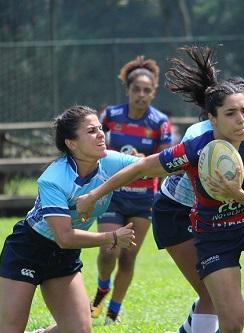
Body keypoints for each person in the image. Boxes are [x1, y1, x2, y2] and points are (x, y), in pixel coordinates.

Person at [77, 46, 244, 333]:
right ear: (212, 118)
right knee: (220, 308)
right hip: (189, 219)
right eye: (233, 112)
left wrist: (237, 191)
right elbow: (142, 167)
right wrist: (93, 194)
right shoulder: (197, 146)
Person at [0, 105, 137, 333]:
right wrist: (111, 237)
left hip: (63, 257)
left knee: (80, 330)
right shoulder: (53, 178)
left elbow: (152, 165)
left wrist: (191, 154)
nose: (101, 134)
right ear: (72, 143)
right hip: (28, 250)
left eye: (101, 128)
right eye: (91, 131)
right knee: (10, 329)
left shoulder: (109, 161)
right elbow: (65, 236)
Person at [158, 76, 244, 333]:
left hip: (206, 215)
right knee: (211, 295)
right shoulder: (198, 136)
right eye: (235, 111)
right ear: (216, 115)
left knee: (213, 296)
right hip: (176, 213)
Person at [91, 56, 172, 324]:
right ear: (128, 90)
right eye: (136, 89)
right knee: (108, 250)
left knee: (127, 258)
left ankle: (113, 312)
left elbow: (165, 164)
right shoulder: (111, 116)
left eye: (147, 90)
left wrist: (141, 162)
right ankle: (103, 286)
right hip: (113, 194)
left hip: (143, 199)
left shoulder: (160, 123)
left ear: (154, 91)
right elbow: (95, 148)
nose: (141, 95)